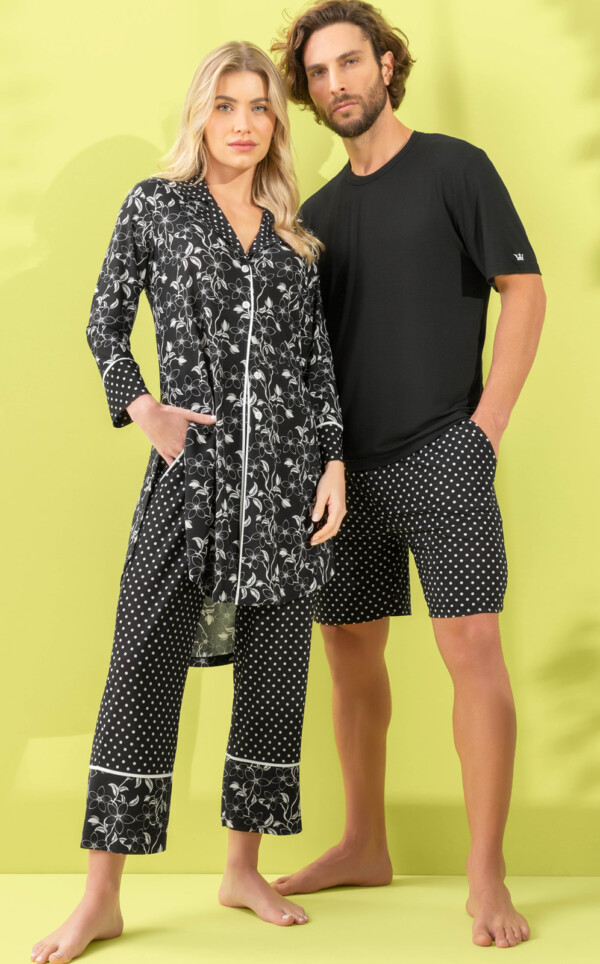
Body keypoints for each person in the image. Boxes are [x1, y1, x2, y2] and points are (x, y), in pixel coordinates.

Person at [30, 40, 346, 964]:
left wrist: (331, 461)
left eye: (260, 107)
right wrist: (144, 409)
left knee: (275, 674)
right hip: (192, 477)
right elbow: (104, 321)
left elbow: (315, 364)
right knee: (141, 666)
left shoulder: (295, 241)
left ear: (276, 124)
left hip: (286, 485)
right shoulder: (156, 207)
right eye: (226, 106)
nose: (244, 124)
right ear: (200, 115)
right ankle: (101, 898)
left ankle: (243, 870)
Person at [271, 0, 546, 950]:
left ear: (386, 65)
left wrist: (487, 427)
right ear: (308, 91)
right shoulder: (314, 218)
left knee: (472, 650)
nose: (336, 83)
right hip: (345, 476)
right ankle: (364, 842)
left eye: (351, 62)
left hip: (443, 453)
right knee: (350, 658)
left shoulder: (455, 168)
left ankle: (486, 875)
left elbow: (524, 290)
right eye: (318, 73)